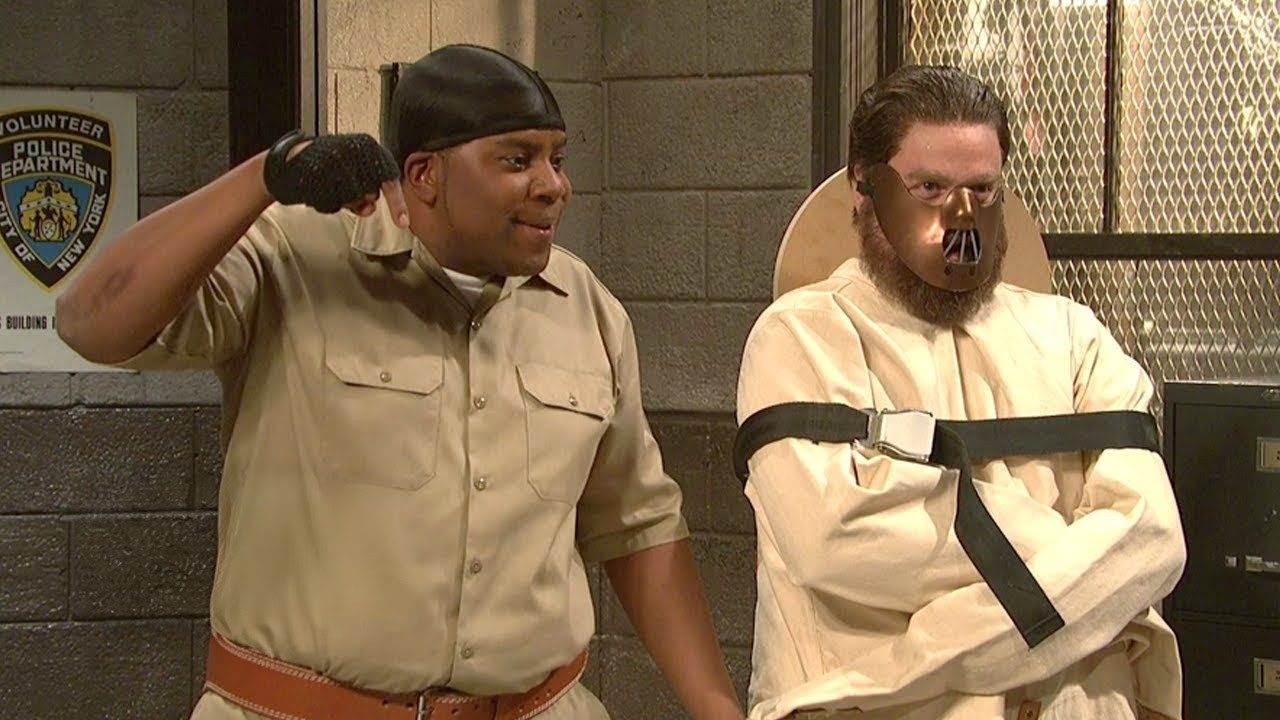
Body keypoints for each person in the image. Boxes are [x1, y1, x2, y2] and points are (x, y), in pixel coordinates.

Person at [56, 44, 743, 720]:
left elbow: (636, 525)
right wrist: (265, 178)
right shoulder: (293, 260)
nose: (552, 185)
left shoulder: (586, 308)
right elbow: (90, 322)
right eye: (516, 160)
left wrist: (719, 711)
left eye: (556, 159)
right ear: (424, 174)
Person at [732, 65, 1186, 720]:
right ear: (864, 190)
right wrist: (1077, 556)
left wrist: (905, 666)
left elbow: (1152, 539)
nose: (960, 217)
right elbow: (836, 540)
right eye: (929, 188)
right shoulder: (801, 339)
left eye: (981, 188)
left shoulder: (1073, 336)